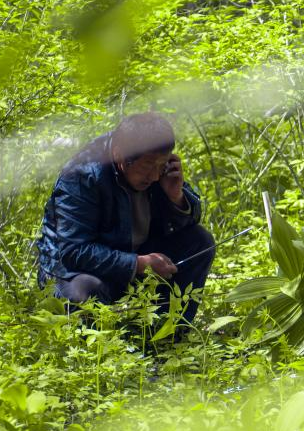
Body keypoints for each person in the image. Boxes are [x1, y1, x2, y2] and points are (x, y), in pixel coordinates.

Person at [36, 112, 214, 328]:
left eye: (162, 166)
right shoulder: (82, 174)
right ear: (120, 155)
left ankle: (166, 336)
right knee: (84, 291)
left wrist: (176, 197)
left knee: (200, 242)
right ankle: (100, 349)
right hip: (76, 271)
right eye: (148, 166)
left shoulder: (157, 163)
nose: (156, 176)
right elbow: (74, 251)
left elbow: (190, 220)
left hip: (133, 257)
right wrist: (138, 264)